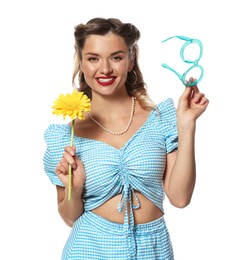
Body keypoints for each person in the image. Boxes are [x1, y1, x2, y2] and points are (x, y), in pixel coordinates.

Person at [43, 17, 209, 260]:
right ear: (81, 62)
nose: (105, 69)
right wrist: (74, 189)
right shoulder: (67, 137)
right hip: (89, 248)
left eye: (116, 57)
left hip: (154, 249)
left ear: (131, 59)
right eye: (93, 58)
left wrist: (186, 125)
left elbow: (180, 198)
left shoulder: (160, 120)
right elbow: (70, 218)